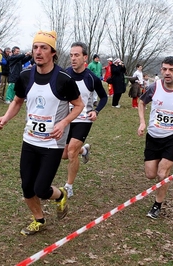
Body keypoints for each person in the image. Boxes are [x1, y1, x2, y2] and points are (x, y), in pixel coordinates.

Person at [0, 30, 84, 236]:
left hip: (52, 143)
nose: (38, 52)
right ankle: (39, 220)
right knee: (27, 187)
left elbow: (79, 105)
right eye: (35, 47)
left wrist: (63, 123)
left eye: (44, 48)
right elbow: (17, 101)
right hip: (30, 140)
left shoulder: (64, 79)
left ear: (53, 52)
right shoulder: (26, 76)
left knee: (41, 189)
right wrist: (5, 118)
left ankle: (60, 194)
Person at [137, 56, 173, 219]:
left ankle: (157, 205)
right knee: (150, 174)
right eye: (164, 69)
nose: (167, 72)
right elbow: (142, 103)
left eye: (171, 69)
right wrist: (142, 122)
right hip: (153, 136)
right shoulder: (154, 87)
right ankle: (160, 181)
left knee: (162, 173)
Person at [62, 42, 108, 198]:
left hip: (83, 118)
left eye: (77, 55)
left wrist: (96, 111)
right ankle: (85, 150)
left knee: (71, 151)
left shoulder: (92, 78)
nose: (73, 58)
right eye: (71, 55)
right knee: (64, 154)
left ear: (85, 57)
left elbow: (104, 97)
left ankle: (69, 186)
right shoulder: (65, 74)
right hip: (67, 118)